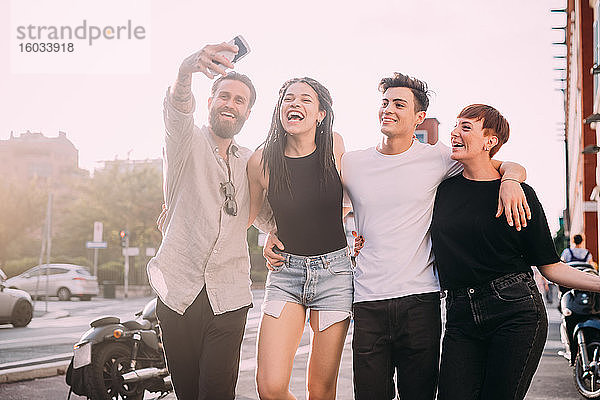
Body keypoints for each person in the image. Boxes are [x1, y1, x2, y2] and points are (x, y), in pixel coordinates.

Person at [265, 72, 530, 400]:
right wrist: (274, 230)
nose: (388, 109)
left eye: (399, 104)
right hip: (367, 300)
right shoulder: (353, 163)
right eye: (385, 102)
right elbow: (317, 203)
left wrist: (512, 181)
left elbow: (500, 164)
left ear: (419, 117)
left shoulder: (438, 158)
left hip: (420, 302)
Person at [430, 104, 600, 400]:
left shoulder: (523, 195)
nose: (455, 133)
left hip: (515, 311)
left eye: (466, 127)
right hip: (459, 315)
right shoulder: (442, 190)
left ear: (490, 141)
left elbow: (550, 266)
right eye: (455, 126)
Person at [147, 42, 259, 400]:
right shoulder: (186, 142)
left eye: (240, 100)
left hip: (230, 295)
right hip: (179, 290)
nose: (230, 103)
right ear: (210, 102)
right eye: (223, 96)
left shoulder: (252, 161)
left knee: (216, 392)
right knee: (189, 393)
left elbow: (272, 214)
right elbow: (177, 110)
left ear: (248, 113)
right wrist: (185, 72)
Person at [246, 77, 353, 400]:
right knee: (271, 387)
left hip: (334, 274)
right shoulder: (261, 160)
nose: (295, 104)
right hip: (285, 275)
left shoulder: (334, 145)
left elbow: (350, 200)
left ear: (321, 113)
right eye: (288, 99)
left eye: (306, 100)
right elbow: (247, 218)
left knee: (320, 391)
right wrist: (271, 234)